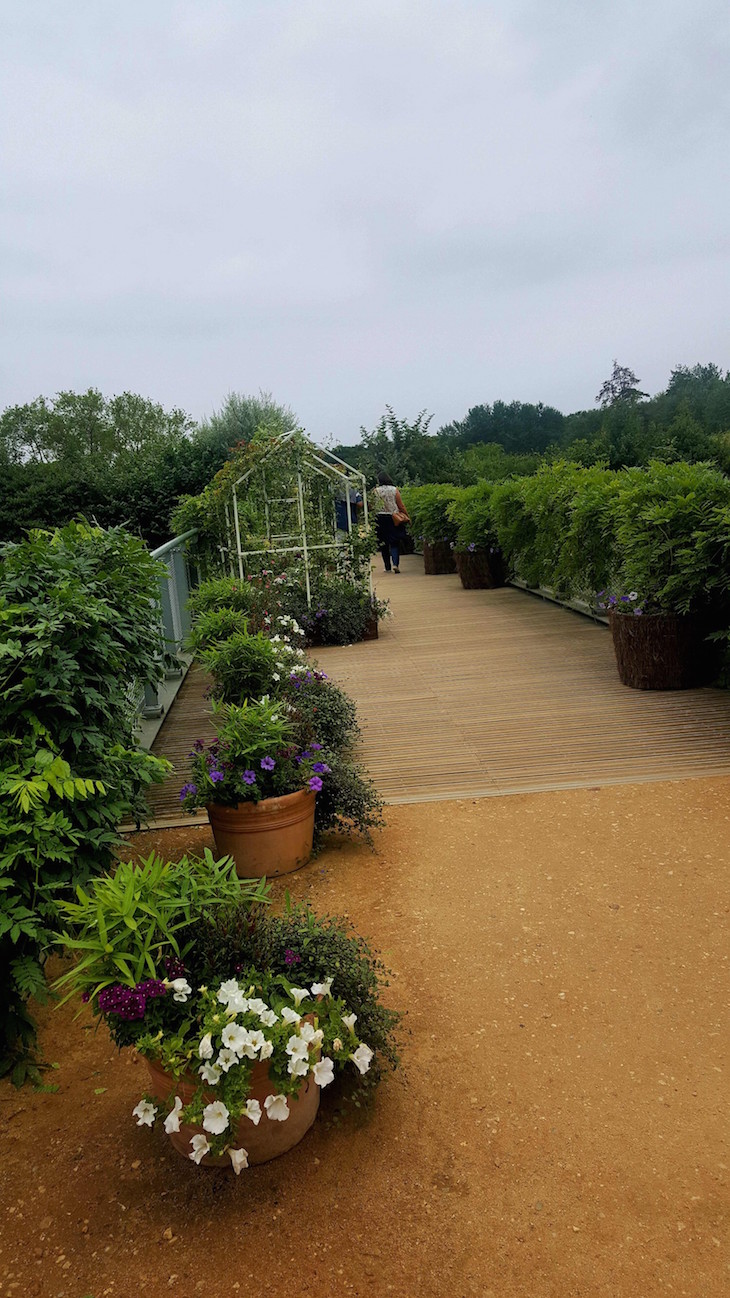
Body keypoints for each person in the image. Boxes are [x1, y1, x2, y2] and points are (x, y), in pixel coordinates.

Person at [373, 471, 409, 573]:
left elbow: (371, 505)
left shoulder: (375, 491)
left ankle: (387, 566)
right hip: (393, 517)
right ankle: (395, 564)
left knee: (383, 542)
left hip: (380, 518)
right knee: (394, 541)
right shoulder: (394, 490)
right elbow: (400, 505)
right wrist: (406, 515)